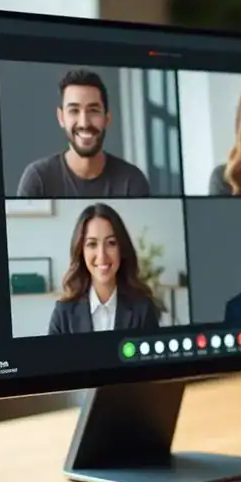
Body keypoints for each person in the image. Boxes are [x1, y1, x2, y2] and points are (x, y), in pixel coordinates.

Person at [17, 69, 151, 197]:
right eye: (74, 111)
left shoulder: (132, 180)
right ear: (61, 118)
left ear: (107, 118)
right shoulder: (38, 179)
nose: (84, 123)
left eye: (93, 110)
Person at [48, 202, 163, 334]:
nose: (102, 255)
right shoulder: (63, 312)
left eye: (111, 243)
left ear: (122, 249)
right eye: (92, 244)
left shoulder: (143, 309)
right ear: (81, 251)